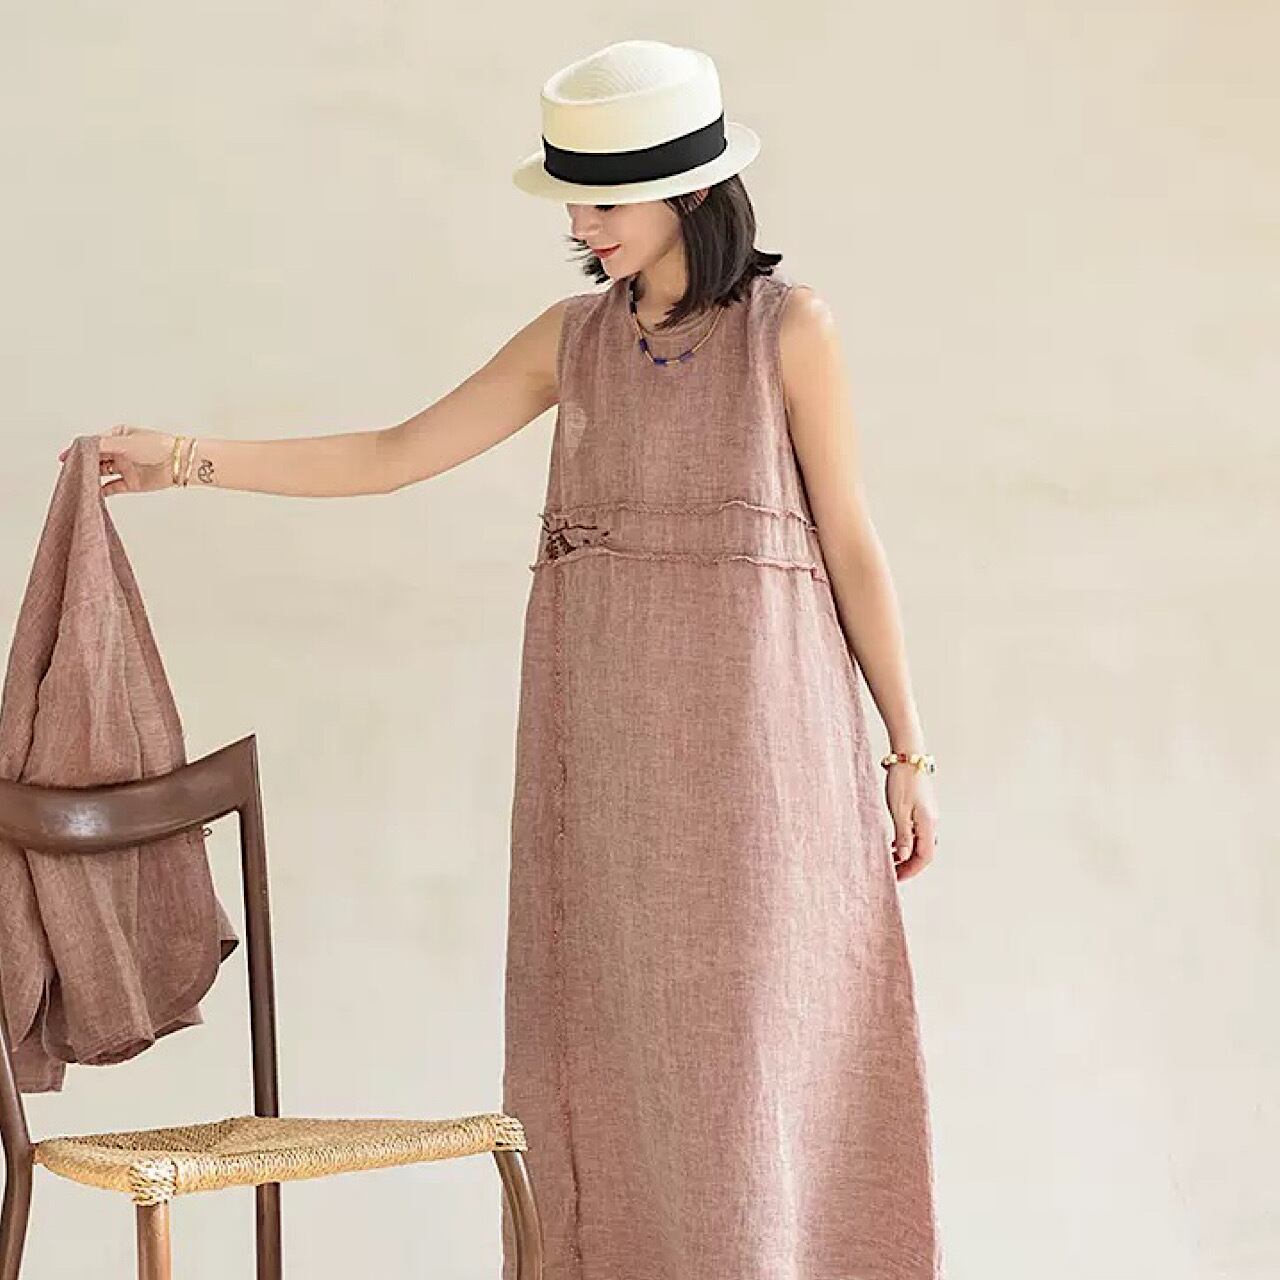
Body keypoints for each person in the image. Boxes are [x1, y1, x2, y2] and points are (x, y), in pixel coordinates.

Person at [59, 37, 944, 1280]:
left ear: (692, 187)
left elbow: (849, 543)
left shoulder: (787, 331)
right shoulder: (571, 340)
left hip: (768, 770)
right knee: (620, 1064)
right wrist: (191, 459)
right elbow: (393, 453)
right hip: (610, 779)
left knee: (764, 1062)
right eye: (573, 200)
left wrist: (906, 751)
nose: (581, 225)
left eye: (605, 200)